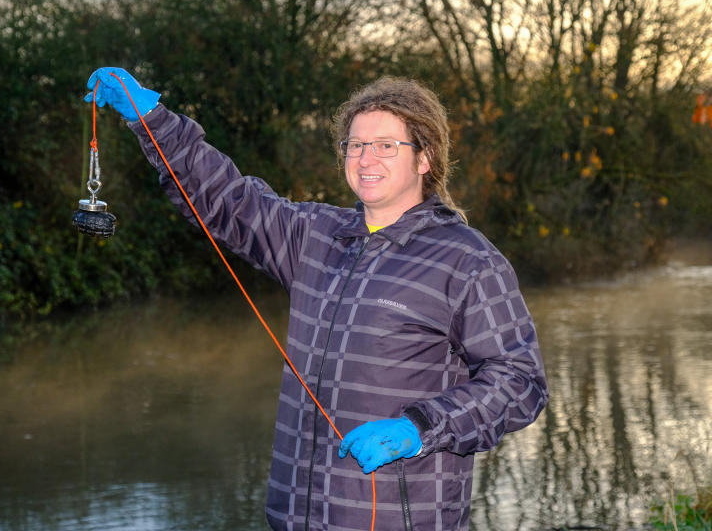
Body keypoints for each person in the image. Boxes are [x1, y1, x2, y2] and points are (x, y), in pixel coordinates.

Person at [86, 67, 548, 531]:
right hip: (295, 518)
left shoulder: (467, 259)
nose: (367, 159)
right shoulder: (316, 236)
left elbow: (520, 382)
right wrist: (153, 119)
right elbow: (229, 200)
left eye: (386, 145)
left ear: (424, 158)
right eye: (356, 145)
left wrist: (420, 428)